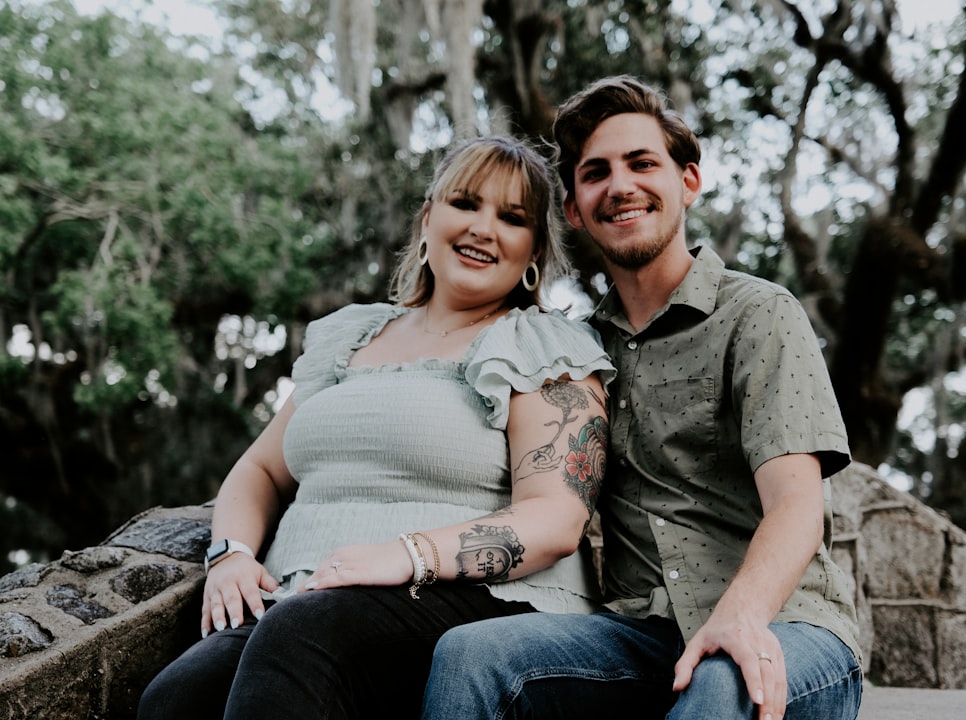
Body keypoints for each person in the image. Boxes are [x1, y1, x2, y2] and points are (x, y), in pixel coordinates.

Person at [421, 76, 862, 720]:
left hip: (785, 629)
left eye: (642, 163)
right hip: (638, 637)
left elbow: (797, 503)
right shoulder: (574, 354)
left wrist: (737, 619)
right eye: (596, 173)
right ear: (574, 209)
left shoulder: (758, 315)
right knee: (472, 655)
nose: (620, 185)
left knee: (721, 678)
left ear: (688, 182)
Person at [136, 135, 614, 720]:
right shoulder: (350, 334)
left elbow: (556, 519)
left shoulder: (542, 345)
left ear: (534, 249)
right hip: (306, 600)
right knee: (177, 698)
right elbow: (260, 468)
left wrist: (406, 555)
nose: (483, 228)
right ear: (427, 218)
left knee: (306, 636)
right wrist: (232, 554)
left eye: (511, 218)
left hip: (487, 599)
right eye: (466, 204)